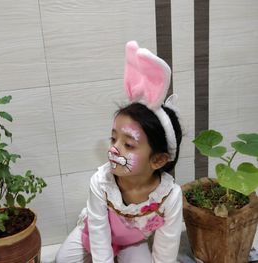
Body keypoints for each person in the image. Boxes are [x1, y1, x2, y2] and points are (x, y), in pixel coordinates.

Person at [56, 40, 183, 263]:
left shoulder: (169, 197)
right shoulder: (101, 183)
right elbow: (98, 233)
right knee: (63, 260)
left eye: (129, 144)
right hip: (93, 233)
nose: (114, 149)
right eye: (113, 138)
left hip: (131, 242)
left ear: (158, 159)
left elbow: (166, 250)